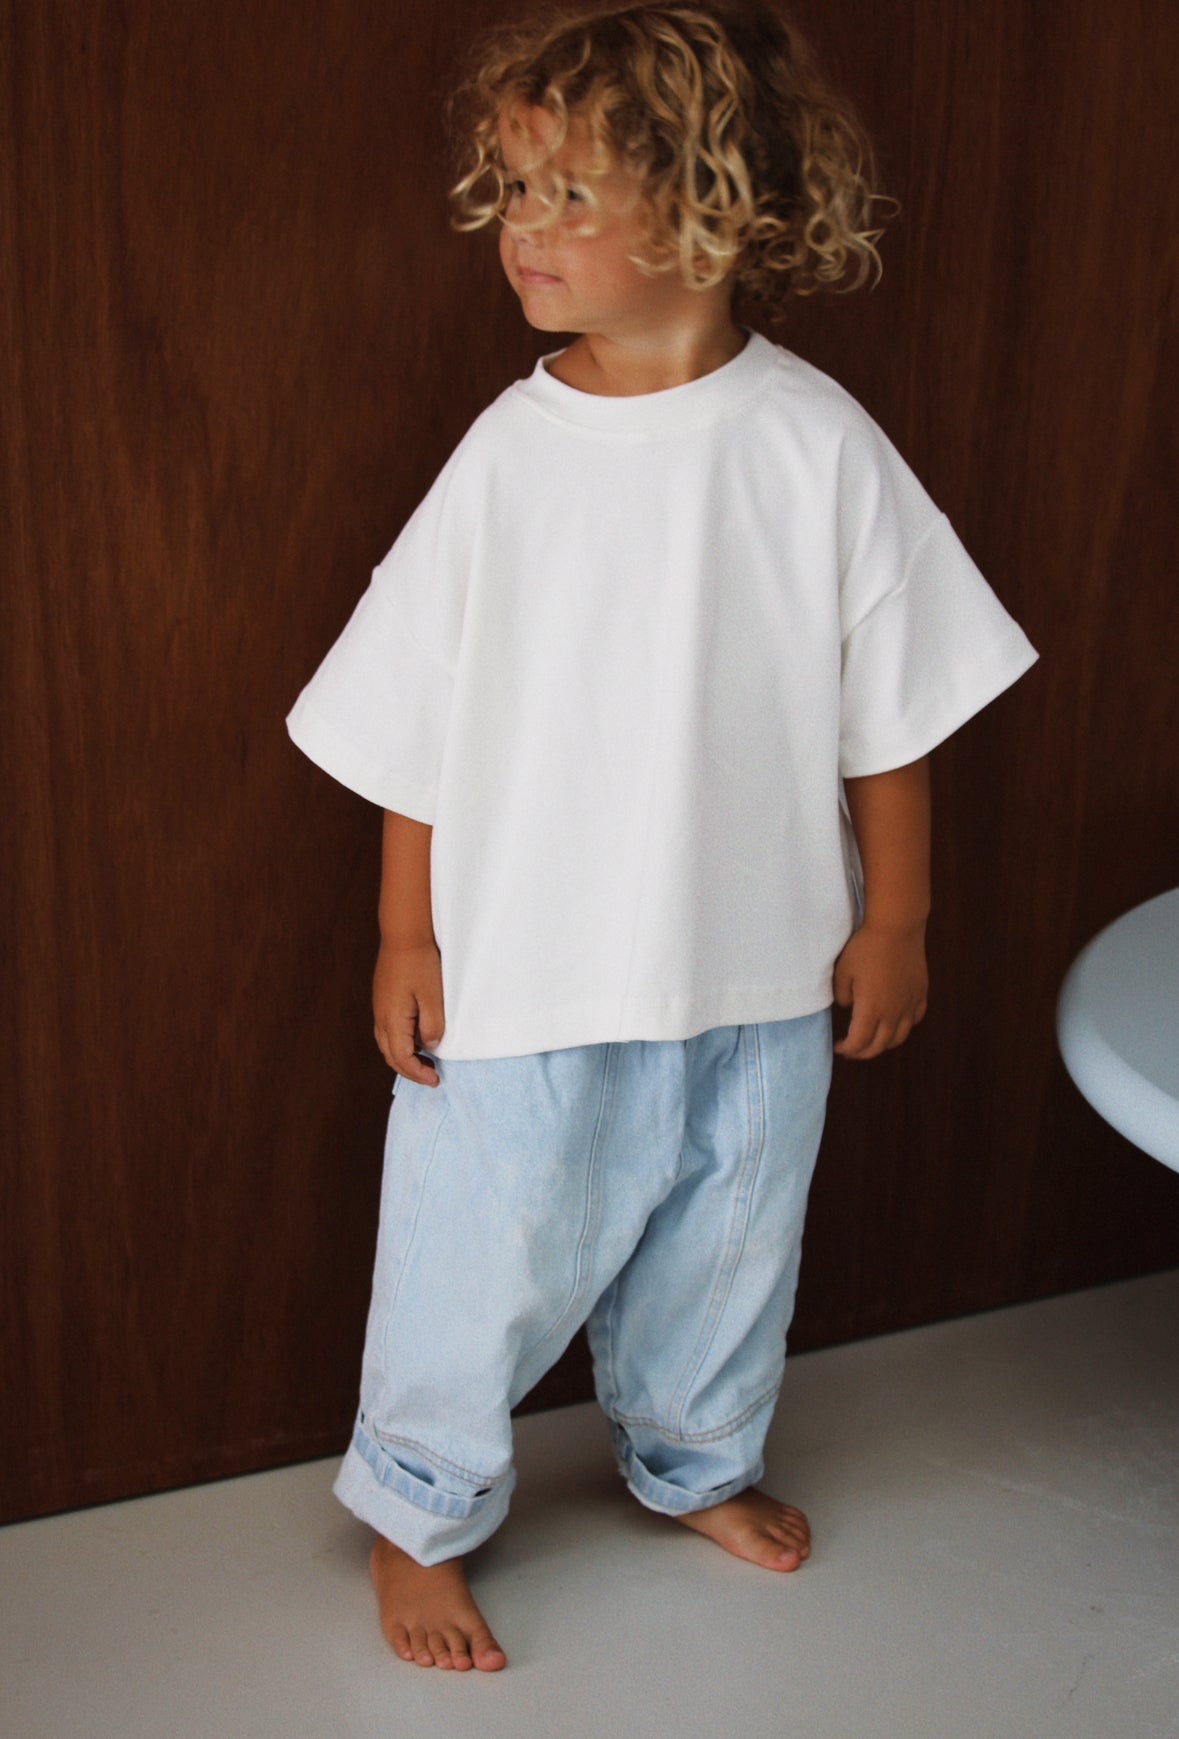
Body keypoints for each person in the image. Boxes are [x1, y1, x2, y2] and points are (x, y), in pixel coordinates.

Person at [286, 0, 1038, 1673]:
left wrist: (897, 920)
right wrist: (408, 931)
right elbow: (413, 719)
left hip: (758, 966)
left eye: (569, 196)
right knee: (478, 1255)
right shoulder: (511, 457)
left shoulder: (814, 444)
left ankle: (696, 1458)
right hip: (530, 974)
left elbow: (892, 712)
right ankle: (417, 1509)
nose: (523, 233)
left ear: (711, 210)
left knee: (732, 1242)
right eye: (513, 192)